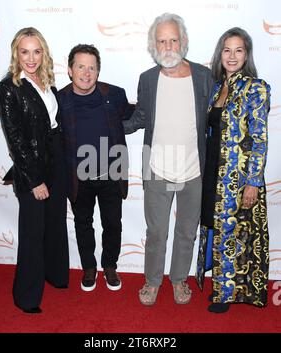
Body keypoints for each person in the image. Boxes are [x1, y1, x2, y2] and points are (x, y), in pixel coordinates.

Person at [123, 13, 213, 305]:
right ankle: (152, 282)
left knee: (187, 232)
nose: (169, 46)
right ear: (154, 45)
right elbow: (139, 118)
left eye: (174, 39)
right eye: (162, 41)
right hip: (157, 169)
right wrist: (104, 123)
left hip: (194, 171)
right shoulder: (147, 79)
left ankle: (178, 280)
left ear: (183, 41)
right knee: (157, 232)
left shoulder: (204, 77)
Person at [195, 27, 270, 313]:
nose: (232, 55)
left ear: (247, 54)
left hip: (238, 177)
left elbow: (260, 138)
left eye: (239, 50)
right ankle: (219, 285)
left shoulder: (256, 88)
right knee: (216, 228)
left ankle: (226, 295)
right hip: (213, 170)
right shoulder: (215, 87)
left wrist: (253, 181)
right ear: (220, 54)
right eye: (227, 50)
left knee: (234, 232)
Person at [0, 27, 69, 314]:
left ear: (44, 53)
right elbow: (15, 139)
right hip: (32, 166)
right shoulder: (8, 87)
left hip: (55, 159)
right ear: (16, 53)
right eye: (24, 51)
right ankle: (26, 296)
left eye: (36, 51)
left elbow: (53, 125)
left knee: (53, 224)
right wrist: (34, 179)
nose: (31, 57)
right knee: (32, 232)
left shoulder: (47, 82)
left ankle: (54, 275)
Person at [58, 44, 134, 292]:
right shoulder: (59, 101)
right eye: (81, 67)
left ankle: (110, 265)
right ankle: (89, 267)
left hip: (111, 173)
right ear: (70, 70)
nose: (86, 73)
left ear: (98, 71)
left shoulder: (115, 95)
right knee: (83, 223)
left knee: (113, 223)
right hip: (79, 177)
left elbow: (136, 115)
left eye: (92, 68)